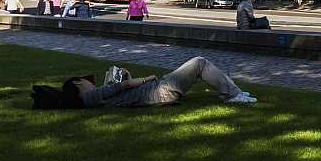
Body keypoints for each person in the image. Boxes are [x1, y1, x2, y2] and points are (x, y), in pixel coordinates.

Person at [81, 60, 257, 108]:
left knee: (197, 64)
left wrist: (126, 76)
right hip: (160, 90)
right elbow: (124, 87)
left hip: (157, 90)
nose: (89, 82)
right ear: (78, 88)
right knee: (199, 63)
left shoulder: (99, 97)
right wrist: (146, 79)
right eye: (83, 82)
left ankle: (234, 92)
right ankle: (233, 94)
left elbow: (125, 90)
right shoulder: (92, 97)